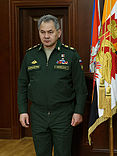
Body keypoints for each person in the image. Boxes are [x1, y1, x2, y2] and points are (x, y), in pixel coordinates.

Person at [17, 14, 88, 156]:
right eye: (42, 32)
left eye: (50, 32)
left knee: (63, 153)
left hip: (63, 114)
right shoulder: (30, 55)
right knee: (42, 153)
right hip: (38, 114)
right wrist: (23, 110)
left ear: (59, 32)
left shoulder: (70, 55)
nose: (46, 36)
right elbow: (22, 85)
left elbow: (80, 88)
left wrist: (78, 111)